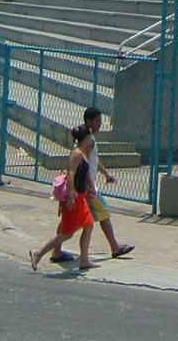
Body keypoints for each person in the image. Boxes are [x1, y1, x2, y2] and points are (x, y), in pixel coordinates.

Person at [48, 107, 133, 262]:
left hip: (84, 186)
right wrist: (90, 186)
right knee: (103, 214)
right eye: (97, 121)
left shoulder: (86, 139)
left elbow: (93, 161)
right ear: (89, 121)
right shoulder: (88, 141)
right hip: (87, 187)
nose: (100, 124)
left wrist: (105, 173)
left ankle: (57, 251)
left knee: (70, 221)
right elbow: (85, 165)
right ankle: (114, 247)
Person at [30, 125, 98, 271]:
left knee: (89, 225)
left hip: (81, 196)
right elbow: (71, 174)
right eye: (90, 136)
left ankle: (84, 260)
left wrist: (91, 185)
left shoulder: (83, 152)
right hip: (75, 198)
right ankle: (39, 253)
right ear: (87, 137)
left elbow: (84, 172)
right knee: (67, 234)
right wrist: (71, 196)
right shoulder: (77, 154)